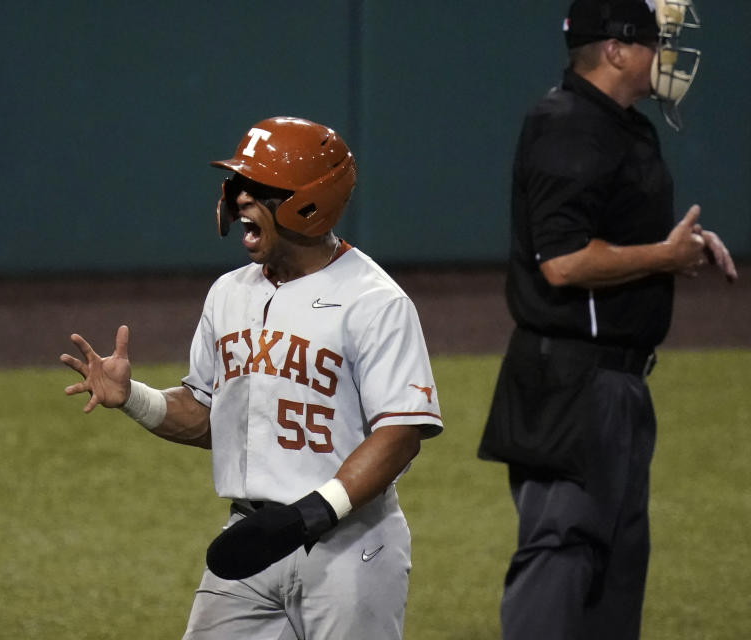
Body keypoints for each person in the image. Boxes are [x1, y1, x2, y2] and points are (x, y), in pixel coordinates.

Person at [61, 116, 443, 639]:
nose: (239, 198)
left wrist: (311, 514)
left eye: (258, 188)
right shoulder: (228, 293)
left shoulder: (374, 302)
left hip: (352, 544)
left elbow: (400, 435)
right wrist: (134, 399)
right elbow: (210, 415)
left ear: (309, 201)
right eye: (238, 184)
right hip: (251, 539)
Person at [477, 1, 738, 639]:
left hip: (613, 385)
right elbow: (563, 262)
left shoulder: (619, 125)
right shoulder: (568, 125)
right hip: (571, 387)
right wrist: (665, 256)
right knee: (561, 558)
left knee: (615, 574)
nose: (666, 56)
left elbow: (613, 232)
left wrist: (684, 247)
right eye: (656, 42)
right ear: (616, 49)